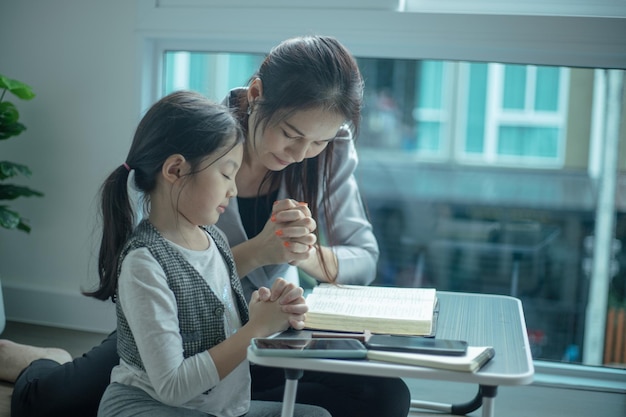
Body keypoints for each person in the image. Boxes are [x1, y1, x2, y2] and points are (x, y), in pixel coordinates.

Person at [2, 35, 411, 417]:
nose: (302, 154)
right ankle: (35, 360)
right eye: (290, 134)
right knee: (51, 404)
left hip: (262, 330)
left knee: (387, 396)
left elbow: (364, 258)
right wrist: (262, 252)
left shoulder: (329, 148)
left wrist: (306, 255)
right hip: (182, 327)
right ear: (255, 95)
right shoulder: (205, 135)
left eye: (318, 142)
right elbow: (167, 265)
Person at [98, 90, 328, 417]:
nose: (233, 190)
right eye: (225, 174)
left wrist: (267, 310)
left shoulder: (214, 240)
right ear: (176, 170)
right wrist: (256, 329)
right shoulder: (144, 264)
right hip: (149, 407)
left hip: (220, 408)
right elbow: (172, 387)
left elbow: (219, 328)